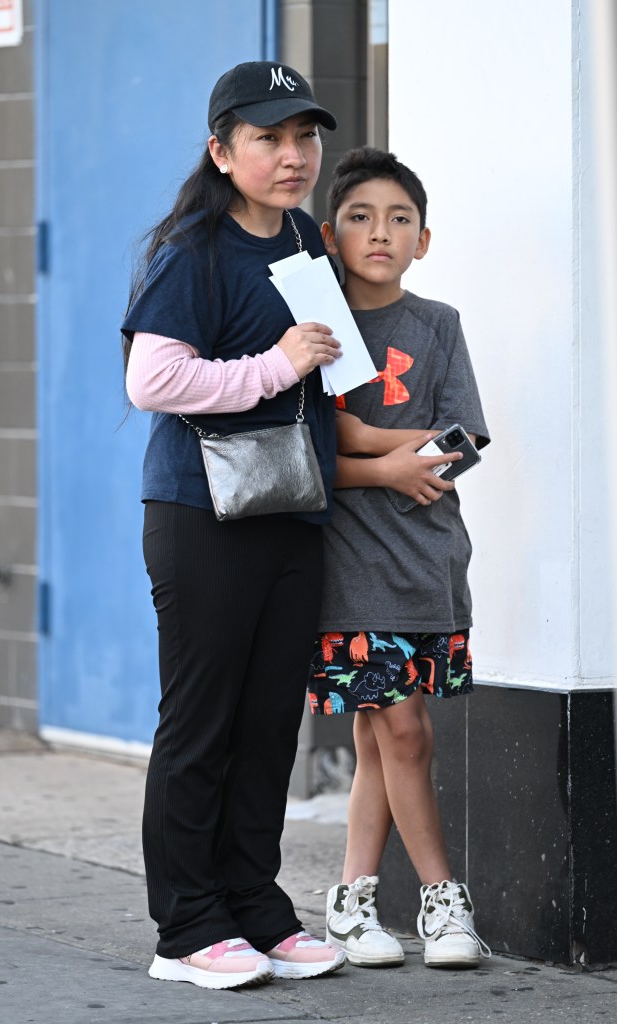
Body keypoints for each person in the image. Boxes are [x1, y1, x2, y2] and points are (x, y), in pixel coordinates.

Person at [120, 61, 349, 991]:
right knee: (202, 722)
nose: (293, 156)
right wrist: (273, 364)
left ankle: (254, 903)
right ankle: (186, 927)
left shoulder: (302, 236)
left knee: (265, 725)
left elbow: (334, 370)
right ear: (222, 150)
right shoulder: (193, 250)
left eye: (304, 137)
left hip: (291, 506)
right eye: (268, 138)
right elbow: (152, 382)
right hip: (200, 513)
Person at [308, 147, 492, 969]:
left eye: (398, 219)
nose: (379, 232)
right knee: (404, 730)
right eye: (359, 216)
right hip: (347, 563)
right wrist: (390, 462)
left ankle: (349, 901)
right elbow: (322, 444)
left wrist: (404, 456)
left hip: (427, 562)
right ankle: (441, 903)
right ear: (328, 233)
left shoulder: (437, 324)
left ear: (422, 239)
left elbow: (466, 441)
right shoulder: (319, 324)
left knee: (384, 740)